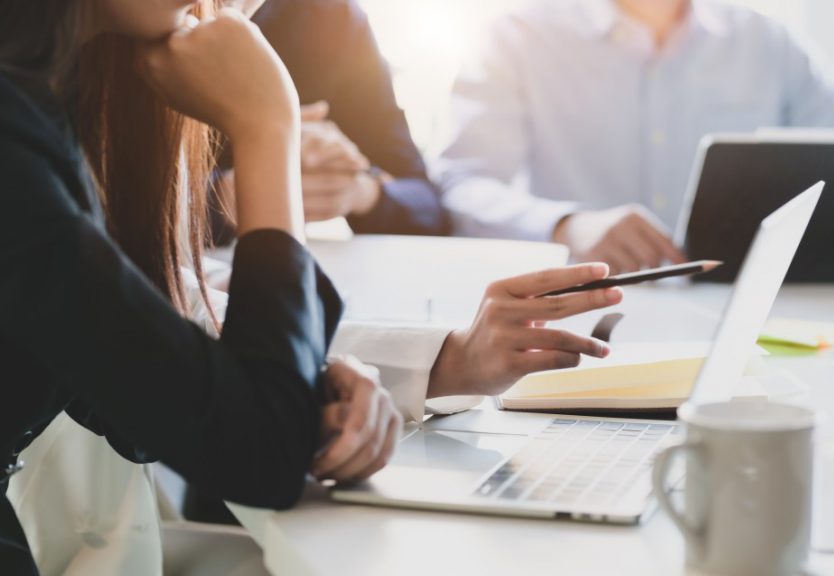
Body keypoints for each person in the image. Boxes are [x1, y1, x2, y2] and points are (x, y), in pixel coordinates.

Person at [0, 1, 621, 573]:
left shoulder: (51, 103)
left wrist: (317, 383)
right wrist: (268, 125)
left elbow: (139, 391)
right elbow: (258, 454)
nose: (236, 8)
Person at [435, 0, 834, 273]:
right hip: (583, 315)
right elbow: (462, 186)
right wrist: (566, 225)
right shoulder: (517, 36)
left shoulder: (767, 41)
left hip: (743, 315)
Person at [211, 0, 448, 241]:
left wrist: (356, 190)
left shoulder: (333, 16)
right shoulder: (177, 18)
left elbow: (427, 207)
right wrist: (222, 199)